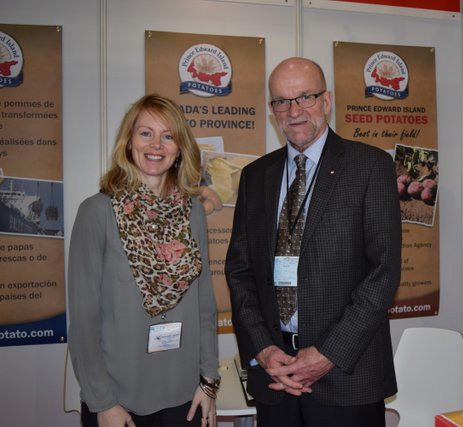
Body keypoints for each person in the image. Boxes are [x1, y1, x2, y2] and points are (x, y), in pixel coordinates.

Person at [225, 57, 402, 427]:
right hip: (275, 376)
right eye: (281, 101)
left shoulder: (370, 166)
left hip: (346, 377)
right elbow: (239, 272)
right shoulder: (255, 176)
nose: (294, 111)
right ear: (272, 109)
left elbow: (383, 272)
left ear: (327, 100)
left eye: (305, 97)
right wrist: (263, 348)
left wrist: (327, 354)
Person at [68, 94, 220, 427]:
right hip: (119, 401)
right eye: (146, 133)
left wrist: (209, 380)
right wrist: (103, 402)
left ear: (180, 148)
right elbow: (83, 320)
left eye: (168, 136)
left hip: (186, 396)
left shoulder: (193, 212)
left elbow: (205, 305)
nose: (156, 145)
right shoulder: (97, 212)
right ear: (129, 141)